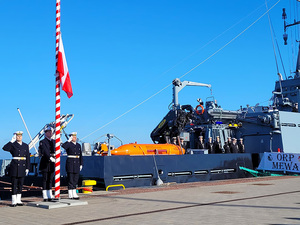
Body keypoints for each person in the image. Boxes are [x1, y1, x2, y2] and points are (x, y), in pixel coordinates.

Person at [2, 131, 30, 207]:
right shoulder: (13, 145)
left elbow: (27, 157)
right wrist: (11, 141)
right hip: (15, 166)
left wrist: (27, 167)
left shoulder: (25, 145)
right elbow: (4, 148)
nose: (19, 137)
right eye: (17, 136)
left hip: (23, 166)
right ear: (15, 137)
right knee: (14, 184)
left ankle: (19, 200)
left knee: (21, 184)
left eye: (20, 136)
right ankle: (14, 201)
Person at [62, 132, 83, 200]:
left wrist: (81, 164)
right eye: (73, 137)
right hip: (70, 163)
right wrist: (68, 140)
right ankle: (70, 194)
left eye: (75, 136)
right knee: (70, 179)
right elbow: (64, 146)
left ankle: (74, 193)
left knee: (75, 179)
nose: (75, 138)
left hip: (77, 163)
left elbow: (80, 155)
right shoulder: (69, 144)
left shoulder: (78, 145)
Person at [38, 127, 55, 201]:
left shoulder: (54, 141)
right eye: (48, 132)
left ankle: (50, 194)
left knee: (50, 179)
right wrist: (49, 157)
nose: (50, 133)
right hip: (45, 162)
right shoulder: (42, 141)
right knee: (45, 179)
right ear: (45, 133)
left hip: (53, 162)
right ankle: (45, 195)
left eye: (51, 132)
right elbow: (44, 151)